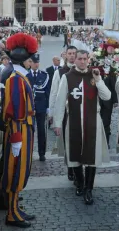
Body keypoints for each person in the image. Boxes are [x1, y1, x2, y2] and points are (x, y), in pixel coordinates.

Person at [53, 50, 111, 205]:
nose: (82, 62)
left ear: (88, 60)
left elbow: (107, 96)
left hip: (93, 121)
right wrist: (57, 123)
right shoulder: (67, 77)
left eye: (85, 59)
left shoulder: (95, 76)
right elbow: (59, 101)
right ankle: (80, 182)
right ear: (75, 60)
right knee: (75, 154)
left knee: (92, 156)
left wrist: (99, 80)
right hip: (74, 120)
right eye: (79, 59)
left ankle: (89, 189)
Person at [0, 33, 38, 228]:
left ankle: (15, 207)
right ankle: (12, 213)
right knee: (16, 170)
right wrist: (15, 137)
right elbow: (14, 111)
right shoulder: (16, 79)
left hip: (24, 128)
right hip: (19, 129)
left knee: (21, 170)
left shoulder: (19, 76)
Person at [49, 46, 77, 181]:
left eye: (74, 54)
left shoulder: (82, 71)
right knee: (68, 140)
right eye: (69, 53)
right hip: (65, 111)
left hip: (79, 111)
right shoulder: (60, 72)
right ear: (65, 55)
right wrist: (53, 115)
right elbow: (54, 94)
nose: (72, 56)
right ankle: (71, 167)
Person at [27, 54, 49, 162]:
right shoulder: (26, 76)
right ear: (30, 63)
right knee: (29, 131)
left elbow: (47, 92)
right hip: (29, 108)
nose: (36, 64)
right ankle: (28, 153)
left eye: (37, 62)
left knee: (41, 131)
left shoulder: (44, 75)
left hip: (41, 107)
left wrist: (48, 107)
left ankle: (41, 153)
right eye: (34, 62)